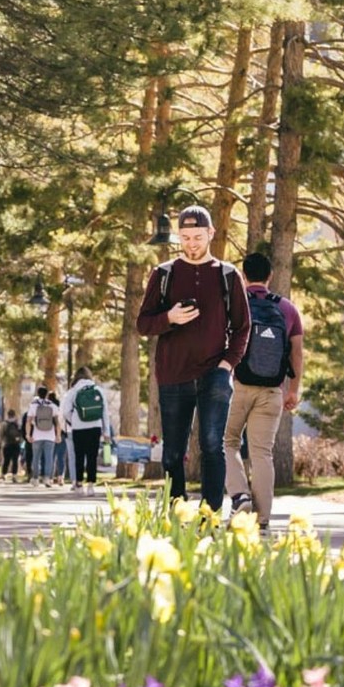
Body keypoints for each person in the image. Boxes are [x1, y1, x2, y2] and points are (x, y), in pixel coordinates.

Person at [136, 205, 250, 511]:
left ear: (211, 233)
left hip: (214, 374)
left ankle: (209, 516)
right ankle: (177, 511)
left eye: (197, 237)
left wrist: (227, 366)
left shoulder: (228, 275)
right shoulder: (164, 274)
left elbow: (242, 327)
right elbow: (143, 324)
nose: (191, 243)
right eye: (185, 237)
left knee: (212, 447)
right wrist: (169, 317)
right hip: (173, 375)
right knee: (173, 453)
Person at [224, 252, 304, 529]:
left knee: (228, 442)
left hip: (237, 385)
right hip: (272, 389)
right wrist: (293, 390)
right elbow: (297, 353)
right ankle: (263, 519)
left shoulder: (233, 304)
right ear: (269, 276)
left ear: (244, 275)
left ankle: (239, 495)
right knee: (262, 453)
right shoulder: (287, 308)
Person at [60, 367, 111, 495]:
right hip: (95, 426)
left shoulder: (73, 391)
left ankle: (79, 484)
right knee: (92, 456)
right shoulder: (98, 390)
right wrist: (106, 432)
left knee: (79, 456)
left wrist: (74, 420)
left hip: (78, 428)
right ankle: (91, 485)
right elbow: (105, 412)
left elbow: (65, 411)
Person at [26, 386, 60, 487]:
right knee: (49, 458)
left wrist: (28, 434)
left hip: (37, 435)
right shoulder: (52, 405)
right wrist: (58, 435)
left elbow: (28, 421)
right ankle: (47, 478)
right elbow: (57, 422)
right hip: (50, 435)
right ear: (46, 394)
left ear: (38, 393)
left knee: (36, 458)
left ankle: (35, 478)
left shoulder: (33, 405)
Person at [49, 391, 67, 485]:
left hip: (50, 435)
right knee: (61, 457)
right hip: (62, 434)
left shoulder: (48, 408)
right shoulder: (60, 408)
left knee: (51, 457)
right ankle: (60, 477)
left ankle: (50, 478)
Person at [0, 408, 22, 482]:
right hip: (16, 444)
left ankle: (3, 474)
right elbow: (20, 433)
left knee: (6, 460)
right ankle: (14, 476)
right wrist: (20, 441)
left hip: (7, 444)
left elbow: (1, 434)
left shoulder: (4, 423)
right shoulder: (17, 423)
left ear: (8, 415)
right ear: (14, 415)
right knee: (15, 460)